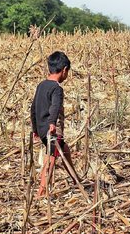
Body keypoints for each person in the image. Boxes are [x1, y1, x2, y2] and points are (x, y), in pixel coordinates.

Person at [31, 51, 81, 196]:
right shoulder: (56, 88)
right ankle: (42, 190)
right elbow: (55, 106)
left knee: (64, 149)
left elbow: (33, 108)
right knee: (51, 158)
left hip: (41, 128)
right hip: (51, 129)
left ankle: (75, 179)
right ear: (64, 70)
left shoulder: (41, 86)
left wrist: (35, 128)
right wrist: (52, 123)